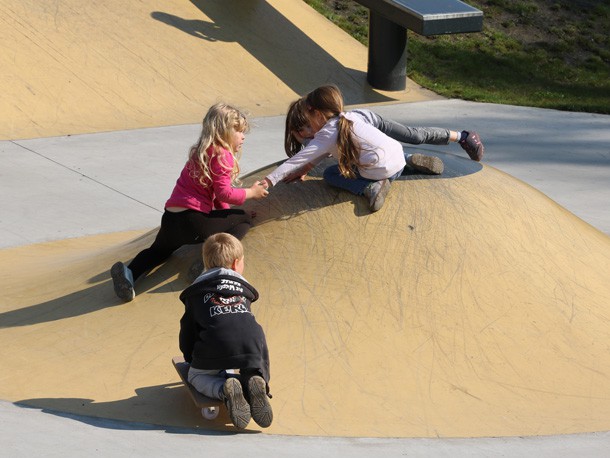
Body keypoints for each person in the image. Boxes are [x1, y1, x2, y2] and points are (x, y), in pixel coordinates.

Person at [110, 103, 269, 302]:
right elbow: (224, 193)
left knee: (159, 251)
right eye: (238, 131)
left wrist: (226, 215)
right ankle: (211, 265)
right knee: (244, 218)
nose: (243, 136)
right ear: (224, 131)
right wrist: (251, 193)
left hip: (170, 218)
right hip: (194, 221)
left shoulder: (199, 152)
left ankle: (130, 274)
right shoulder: (223, 155)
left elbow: (216, 197)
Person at [264, 85, 444, 212]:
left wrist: (269, 181)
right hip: (398, 156)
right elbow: (324, 151)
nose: (310, 130)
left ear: (318, 115)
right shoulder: (351, 117)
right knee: (376, 148)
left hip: (382, 172)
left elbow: (298, 159)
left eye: (309, 122)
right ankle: (410, 159)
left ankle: (369, 188)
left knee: (331, 174)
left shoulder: (325, 135)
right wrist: (307, 168)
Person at [178, 232, 272, 429]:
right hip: (252, 345)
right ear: (237, 264)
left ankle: (223, 389)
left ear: (205, 262)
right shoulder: (245, 289)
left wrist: (190, 358)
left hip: (214, 345)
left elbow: (188, 330)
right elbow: (239, 324)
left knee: (196, 376)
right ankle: (255, 379)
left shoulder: (196, 293)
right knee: (252, 345)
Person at [284, 97, 484, 161]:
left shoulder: (332, 125)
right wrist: (300, 140)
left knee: (413, 136)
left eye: (311, 125)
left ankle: (463, 136)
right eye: (303, 130)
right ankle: (411, 160)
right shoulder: (307, 138)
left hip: (372, 123)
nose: (311, 131)